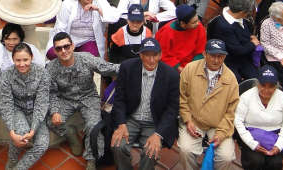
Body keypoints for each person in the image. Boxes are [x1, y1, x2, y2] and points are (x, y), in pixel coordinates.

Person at [47, 33, 119, 170]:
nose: (63, 51)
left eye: (66, 46)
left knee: (94, 128)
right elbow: (52, 92)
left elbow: (107, 68)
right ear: (55, 51)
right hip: (66, 99)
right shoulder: (51, 68)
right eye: (59, 48)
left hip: (88, 97)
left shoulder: (85, 58)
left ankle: (91, 160)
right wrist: (55, 111)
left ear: (73, 46)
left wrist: (132, 67)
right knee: (50, 121)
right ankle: (70, 134)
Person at [111, 37, 180, 170]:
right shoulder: (127, 67)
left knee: (151, 152)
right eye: (147, 55)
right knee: (117, 146)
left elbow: (172, 109)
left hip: (154, 122)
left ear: (161, 55)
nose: (151, 60)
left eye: (155, 55)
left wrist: (158, 134)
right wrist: (121, 124)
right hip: (131, 118)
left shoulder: (171, 75)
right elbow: (119, 99)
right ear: (141, 55)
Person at [178, 39, 239, 170]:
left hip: (218, 125)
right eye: (213, 55)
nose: (216, 60)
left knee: (226, 157)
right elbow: (181, 98)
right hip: (193, 122)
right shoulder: (189, 69)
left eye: (220, 56)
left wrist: (221, 134)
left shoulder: (231, 78)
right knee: (185, 150)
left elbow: (231, 111)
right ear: (204, 54)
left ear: (225, 56)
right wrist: (188, 120)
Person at [0, 43, 50, 170]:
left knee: (42, 144)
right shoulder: (6, 76)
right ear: (13, 59)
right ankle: (12, 160)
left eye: (25, 59)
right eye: (18, 60)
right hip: (18, 109)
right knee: (19, 133)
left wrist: (33, 130)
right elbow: (6, 104)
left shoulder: (42, 74)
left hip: (36, 112)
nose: (22, 64)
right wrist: (11, 131)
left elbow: (41, 103)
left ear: (32, 57)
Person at [234, 65, 283, 170]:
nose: (266, 90)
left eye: (271, 86)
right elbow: (238, 121)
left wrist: (279, 145)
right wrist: (252, 144)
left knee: (274, 164)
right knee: (256, 161)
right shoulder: (246, 96)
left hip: (275, 136)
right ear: (257, 84)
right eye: (263, 85)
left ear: (276, 85)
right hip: (250, 133)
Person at [47, 0, 118, 60]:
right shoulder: (68, 3)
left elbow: (114, 19)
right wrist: (65, 44)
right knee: (52, 54)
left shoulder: (100, 1)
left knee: (88, 58)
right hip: (69, 38)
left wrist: (98, 9)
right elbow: (61, 27)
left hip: (88, 40)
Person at [210, 0, 259, 82]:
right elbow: (237, 50)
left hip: (244, 59)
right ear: (241, 12)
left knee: (257, 79)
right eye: (248, 12)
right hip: (228, 60)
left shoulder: (243, 20)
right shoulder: (224, 26)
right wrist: (253, 43)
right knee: (235, 81)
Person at [156, 4, 206, 72]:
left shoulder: (198, 26)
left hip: (194, 65)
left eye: (197, 20)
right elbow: (163, 55)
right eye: (194, 22)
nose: (198, 23)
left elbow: (201, 50)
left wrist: (192, 67)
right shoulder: (166, 33)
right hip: (173, 69)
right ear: (183, 24)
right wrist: (179, 68)